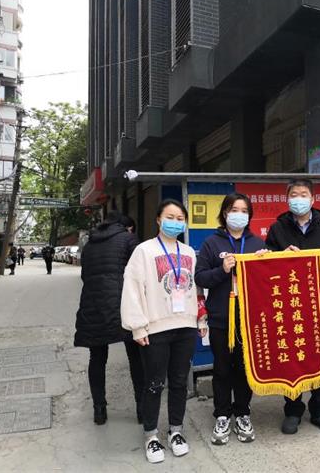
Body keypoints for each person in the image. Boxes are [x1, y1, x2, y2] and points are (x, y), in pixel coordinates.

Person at [121, 199, 207, 464]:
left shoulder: (189, 252)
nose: (175, 222)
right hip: (156, 328)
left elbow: (196, 288)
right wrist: (137, 325)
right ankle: (151, 435)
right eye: (170, 217)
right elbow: (132, 288)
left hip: (185, 326)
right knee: (154, 383)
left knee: (180, 382)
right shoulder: (144, 251)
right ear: (158, 219)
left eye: (180, 218)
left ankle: (176, 431)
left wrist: (201, 319)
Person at [265, 179, 320, 435]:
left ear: (312, 199)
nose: (298, 198)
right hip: (291, 303)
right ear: (287, 199)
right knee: (293, 356)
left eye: (303, 194)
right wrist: (281, 255)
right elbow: (266, 263)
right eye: (294, 194)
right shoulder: (278, 228)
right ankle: (293, 409)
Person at [195, 193, 267, 445]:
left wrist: (265, 263)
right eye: (234, 210)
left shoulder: (257, 243)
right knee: (222, 369)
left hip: (249, 319)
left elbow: (268, 282)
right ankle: (223, 414)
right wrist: (222, 270)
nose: (239, 215)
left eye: (244, 211)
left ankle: (243, 413)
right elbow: (200, 278)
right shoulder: (211, 243)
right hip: (220, 318)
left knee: (245, 368)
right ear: (225, 213)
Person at [74, 211, 144, 426]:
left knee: (97, 358)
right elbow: (140, 274)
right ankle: (142, 409)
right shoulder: (129, 239)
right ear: (127, 227)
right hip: (123, 304)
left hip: (93, 304)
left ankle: (99, 410)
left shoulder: (89, 244)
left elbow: (85, 275)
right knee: (136, 357)